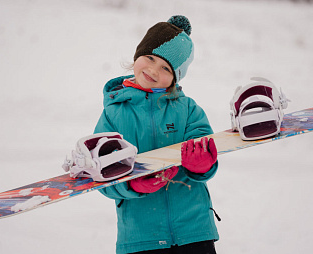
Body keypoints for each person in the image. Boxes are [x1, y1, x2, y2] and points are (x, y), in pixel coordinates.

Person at [94, 15, 219, 254]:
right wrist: (132, 185)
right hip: (140, 238)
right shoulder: (113, 114)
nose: (152, 69)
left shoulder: (188, 110)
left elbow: (209, 157)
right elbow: (101, 178)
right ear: (137, 55)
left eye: (165, 67)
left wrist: (201, 165)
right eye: (149, 58)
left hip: (194, 232)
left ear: (175, 77)